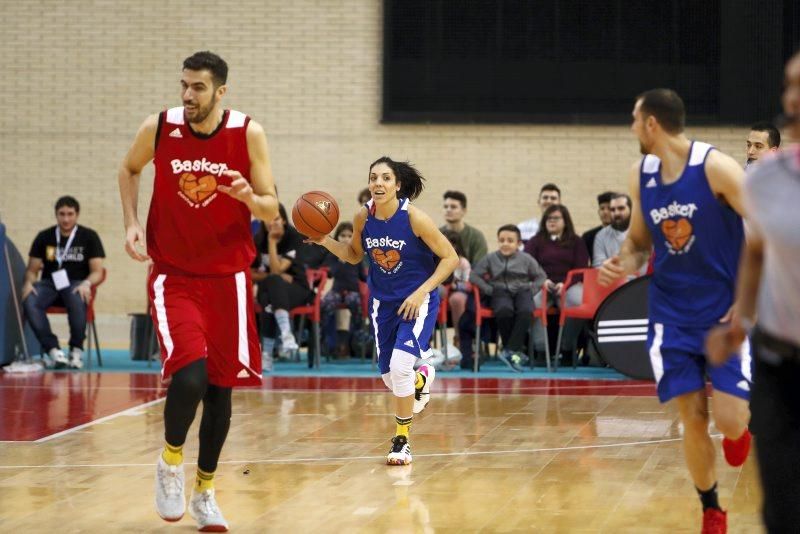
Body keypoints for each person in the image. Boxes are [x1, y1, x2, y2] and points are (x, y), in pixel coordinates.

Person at [117, 51, 279, 531]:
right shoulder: (161, 127)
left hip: (229, 278)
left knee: (220, 392)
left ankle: (205, 491)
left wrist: (249, 197)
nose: (187, 95)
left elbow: (272, 208)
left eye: (199, 87)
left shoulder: (248, 132)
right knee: (189, 378)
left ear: (221, 91)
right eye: (184, 85)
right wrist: (130, 224)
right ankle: (170, 462)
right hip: (174, 274)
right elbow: (128, 169)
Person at [599, 88, 751, 534]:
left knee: (730, 419)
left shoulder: (716, 168)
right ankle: (712, 508)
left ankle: (740, 434)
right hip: (671, 314)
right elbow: (640, 241)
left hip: (724, 312)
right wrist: (622, 263)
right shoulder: (641, 174)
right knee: (692, 417)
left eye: (633, 118)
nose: (630, 127)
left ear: (651, 124)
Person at [307, 156, 458, 465]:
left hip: (417, 301)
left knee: (401, 368)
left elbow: (450, 258)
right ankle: (421, 379)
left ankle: (402, 441)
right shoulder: (363, 218)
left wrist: (421, 293)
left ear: (397, 185)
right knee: (392, 379)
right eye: (373, 177)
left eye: (385, 178)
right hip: (383, 303)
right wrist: (325, 241)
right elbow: (352, 256)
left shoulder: (415, 218)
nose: (378, 183)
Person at [706, 51, 800, 533]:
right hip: (773, 348)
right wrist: (738, 318)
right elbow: (756, 254)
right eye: (789, 85)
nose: (792, 95)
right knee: (779, 500)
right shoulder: (758, 181)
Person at [22, 196, 105, 369]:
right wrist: (29, 283)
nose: (66, 219)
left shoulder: (89, 236)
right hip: (49, 285)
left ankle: (76, 349)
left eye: (70, 214)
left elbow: (97, 271)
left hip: (76, 284)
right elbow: (32, 269)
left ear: (77, 215)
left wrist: (86, 284)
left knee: (77, 296)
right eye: (62, 214)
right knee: (30, 299)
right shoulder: (44, 236)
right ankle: (53, 350)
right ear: (56, 215)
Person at [469, 224, 546, 372]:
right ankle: (513, 354)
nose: (505, 244)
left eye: (510, 241)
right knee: (504, 311)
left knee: (526, 311)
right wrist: (488, 289)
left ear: (519, 243)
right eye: (502, 240)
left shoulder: (527, 259)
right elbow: (474, 275)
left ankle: (508, 350)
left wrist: (532, 289)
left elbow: (541, 276)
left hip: (523, 290)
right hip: (499, 291)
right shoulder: (490, 258)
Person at [524, 204, 589, 364]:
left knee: (577, 303)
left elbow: (581, 268)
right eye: (548, 218)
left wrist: (565, 285)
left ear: (565, 221)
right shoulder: (535, 241)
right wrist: (541, 280)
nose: (551, 221)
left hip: (568, 285)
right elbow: (527, 265)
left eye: (556, 218)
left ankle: (567, 349)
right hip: (542, 284)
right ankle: (540, 351)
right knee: (532, 304)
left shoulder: (576, 242)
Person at [252, 204, 314, 369]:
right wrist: (272, 275)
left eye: (276, 218)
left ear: (284, 221)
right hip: (271, 288)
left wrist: (272, 243)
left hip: (297, 288)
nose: (272, 222)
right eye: (267, 218)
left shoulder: (293, 237)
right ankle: (286, 335)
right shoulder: (257, 240)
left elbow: (276, 269)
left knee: (270, 295)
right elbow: (250, 272)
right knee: (271, 289)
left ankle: (267, 354)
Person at [320, 221, 367, 357]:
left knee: (355, 301)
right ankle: (324, 337)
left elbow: (363, 276)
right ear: (337, 238)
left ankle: (358, 335)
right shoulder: (332, 255)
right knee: (326, 303)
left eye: (349, 235)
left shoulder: (357, 255)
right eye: (342, 235)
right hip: (336, 290)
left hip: (353, 291)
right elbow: (329, 273)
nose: (346, 238)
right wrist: (340, 260)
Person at [439, 190, 488, 266]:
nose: (448, 210)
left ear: (464, 211)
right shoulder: (437, 234)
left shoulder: (476, 236)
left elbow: (480, 267)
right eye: (445, 207)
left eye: (453, 207)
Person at [592, 193, 634, 268]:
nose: (616, 213)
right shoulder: (601, 236)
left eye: (621, 208)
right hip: (613, 278)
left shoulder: (644, 232)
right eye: (612, 210)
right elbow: (598, 266)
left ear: (631, 210)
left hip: (642, 279)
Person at [582, 191, 615, 264]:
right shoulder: (588, 236)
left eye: (609, 208)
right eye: (602, 208)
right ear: (598, 211)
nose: (605, 212)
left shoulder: (624, 234)